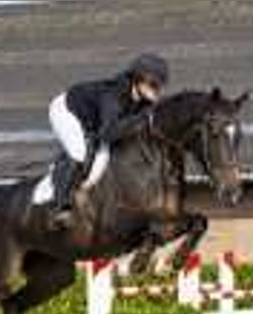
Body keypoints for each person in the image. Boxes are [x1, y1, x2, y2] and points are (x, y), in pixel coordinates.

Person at [47, 53, 169, 227]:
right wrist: (142, 119)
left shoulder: (143, 101)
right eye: (153, 84)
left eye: (159, 85)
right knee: (79, 152)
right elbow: (108, 134)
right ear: (138, 80)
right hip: (67, 111)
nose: (157, 90)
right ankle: (59, 207)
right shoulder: (113, 96)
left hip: (93, 121)